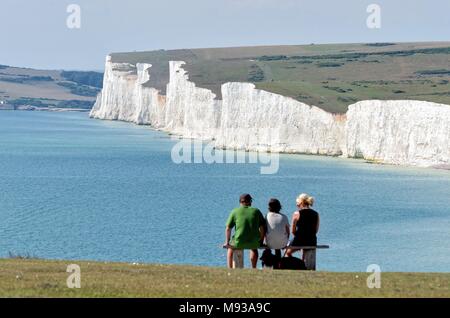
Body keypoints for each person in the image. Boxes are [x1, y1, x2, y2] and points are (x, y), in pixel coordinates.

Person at [224, 194, 266, 269]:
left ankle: (229, 268)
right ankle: (254, 268)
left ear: (240, 202)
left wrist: (227, 242)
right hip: (254, 242)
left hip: (238, 242)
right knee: (254, 249)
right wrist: (261, 241)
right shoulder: (256, 211)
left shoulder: (235, 211)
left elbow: (228, 228)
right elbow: (262, 227)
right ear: (250, 202)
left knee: (230, 248)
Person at [286, 193, 320, 259]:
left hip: (299, 239)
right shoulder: (316, 214)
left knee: (287, 252)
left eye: (297, 202)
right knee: (304, 250)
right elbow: (316, 230)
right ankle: (302, 264)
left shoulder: (297, 213)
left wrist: (299, 237)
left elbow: (293, 231)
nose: (296, 204)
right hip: (312, 240)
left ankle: (297, 264)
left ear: (301, 202)